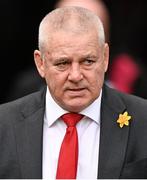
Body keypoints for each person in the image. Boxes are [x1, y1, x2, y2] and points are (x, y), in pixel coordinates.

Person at [1, 6, 147, 179]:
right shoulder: (4, 124)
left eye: (88, 61)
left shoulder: (143, 120)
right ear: (40, 63)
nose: (76, 76)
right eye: (63, 63)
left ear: (105, 57)